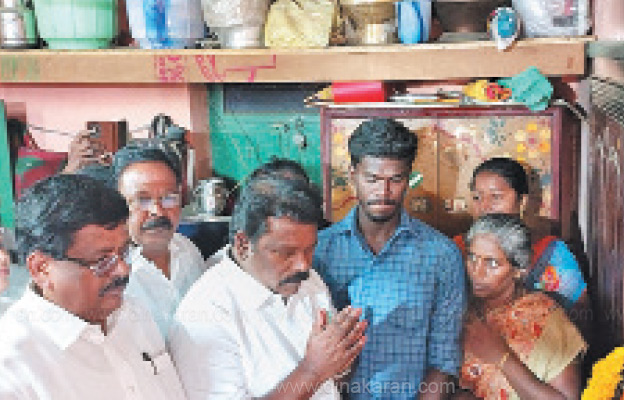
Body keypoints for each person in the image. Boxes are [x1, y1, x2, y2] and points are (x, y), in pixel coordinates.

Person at [169, 176, 367, 399]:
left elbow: (331, 383)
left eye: (309, 249)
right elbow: (317, 370)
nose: (303, 265)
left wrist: (340, 362)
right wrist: (312, 370)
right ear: (243, 244)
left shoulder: (309, 281)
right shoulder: (204, 315)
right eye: (286, 253)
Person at [314, 118, 465, 399]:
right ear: (353, 175)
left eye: (395, 180)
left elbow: (444, 360)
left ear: (408, 178)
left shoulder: (441, 255)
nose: (383, 192)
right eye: (372, 179)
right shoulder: (318, 251)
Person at [0, 174, 186, 399]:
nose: (123, 270)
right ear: (42, 268)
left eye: (124, 253)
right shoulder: (12, 366)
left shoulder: (132, 313)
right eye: (102, 261)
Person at [455, 214, 585, 400]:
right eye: (472, 258)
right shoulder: (463, 311)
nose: (477, 272)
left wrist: (501, 357)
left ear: (519, 270)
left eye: (492, 263)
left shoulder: (545, 317)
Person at [454, 157, 588, 313]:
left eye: (496, 197)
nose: (484, 207)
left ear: (522, 201)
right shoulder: (457, 249)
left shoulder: (551, 253)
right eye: (477, 197)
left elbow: (580, 315)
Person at [112, 142, 206, 337]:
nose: (158, 211)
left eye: (169, 198)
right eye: (142, 200)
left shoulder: (187, 250)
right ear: (117, 204)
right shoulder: (110, 274)